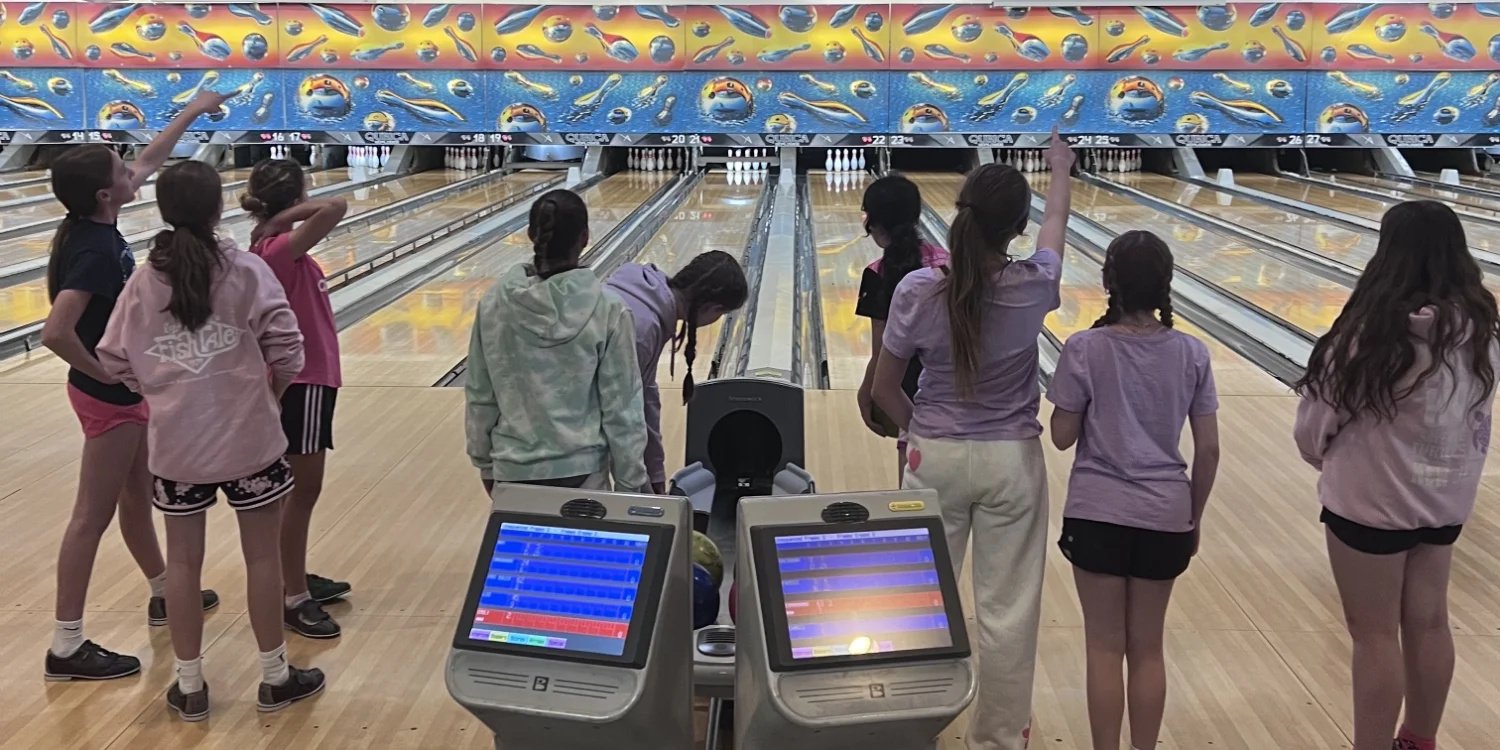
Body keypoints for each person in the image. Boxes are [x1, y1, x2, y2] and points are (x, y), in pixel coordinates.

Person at [96, 161, 325, 721]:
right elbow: (288, 346)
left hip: (176, 447)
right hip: (250, 440)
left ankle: (191, 686)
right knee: (262, 558)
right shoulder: (245, 269)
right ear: (218, 208)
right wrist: (267, 396)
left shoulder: (144, 280)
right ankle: (275, 678)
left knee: (183, 565)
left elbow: (112, 356)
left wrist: (161, 394)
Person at [872, 127, 1073, 750]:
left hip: (933, 455)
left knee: (915, 603)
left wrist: (917, 433)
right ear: (1015, 227)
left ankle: (907, 729)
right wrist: (1060, 171)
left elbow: (882, 390)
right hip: (1011, 462)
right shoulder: (1036, 284)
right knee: (1007, 612)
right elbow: (1055, 232)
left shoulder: (917, 289)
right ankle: (997, 741)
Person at [1293, 200, 1499, 750]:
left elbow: (1315, 425)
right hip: (1445, 503)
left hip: (1369, 504)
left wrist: (1323, 457)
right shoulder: (1481, 332)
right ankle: (1419, 740)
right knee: (1430, 623)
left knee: (1376, 634)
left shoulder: (1368, 335)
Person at [40, 89, 229, 681]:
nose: (136, 172)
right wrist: (108, 374)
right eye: (123, 172)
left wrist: (192, 110)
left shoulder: (94, 221)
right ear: (106, 193)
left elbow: (149, 159)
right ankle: (66, 645)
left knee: (134, 496)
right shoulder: (95, 250)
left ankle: (161, 588)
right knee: (89, 517)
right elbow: (55, 332)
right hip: (108, 399)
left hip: (118, 396)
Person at [1046, 231, 1220, 750]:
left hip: (1097, 513)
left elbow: (1061, 437)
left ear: (1108, 284)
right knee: (1148, 649)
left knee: (1103, 648)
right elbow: (1208, 450)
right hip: (1165, 515)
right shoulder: (1192, 352)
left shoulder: (1084, 347)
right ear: (1167, 284)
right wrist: (1193, 519)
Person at [465, 189, 649, 493]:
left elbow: (479, 393)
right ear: (585, 237)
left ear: (530, 234)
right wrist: (630, 482)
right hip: (583, 472)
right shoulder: (608, 309)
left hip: (512, 471)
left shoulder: (494, 303)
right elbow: (623, 406)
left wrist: (485, 463)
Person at [243, 158, 351, 640]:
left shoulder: (275, 250)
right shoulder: (278, 249)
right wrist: (285, 216)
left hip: (311, 381)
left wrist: (279, 214)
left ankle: (294, 575)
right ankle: (293, 597)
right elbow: (335, 207)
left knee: (299, 492)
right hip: (303, 382)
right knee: (301, 492)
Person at [604, 251, 748, 493]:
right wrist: (636, 491)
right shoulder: (641, 328)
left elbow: (644, 398)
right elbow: (622, 417)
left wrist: (655, 474)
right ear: (712, 308)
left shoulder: (648, 299)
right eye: (722, 314)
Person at [854, 174, 949, 477]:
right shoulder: (949, 264)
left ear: (872, 222)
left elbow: (882, 352)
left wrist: (865, 393)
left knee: (915, 512)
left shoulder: (876, 274)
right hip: (955, 397)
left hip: (907, 403)